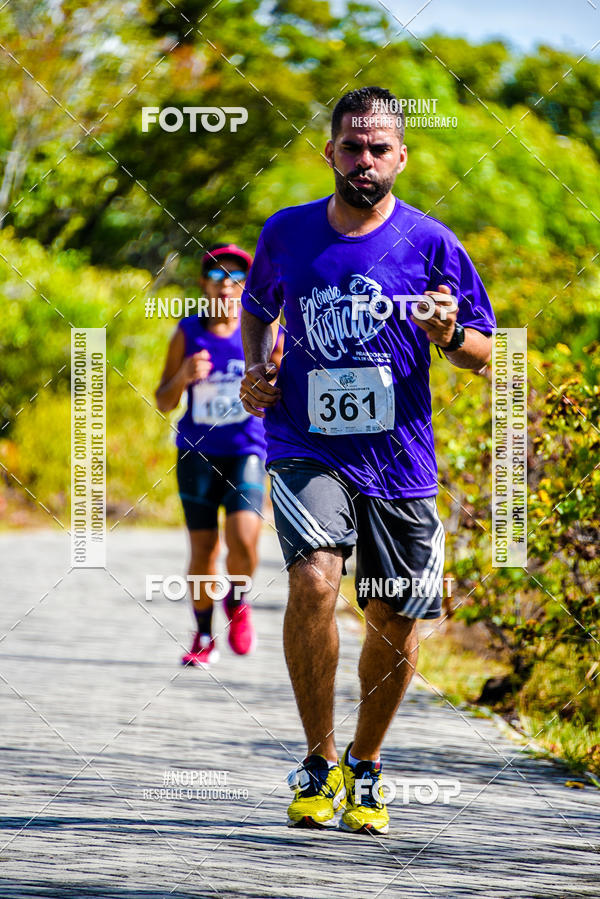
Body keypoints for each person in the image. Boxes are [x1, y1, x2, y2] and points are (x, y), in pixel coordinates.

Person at [239, 86, 496, 833]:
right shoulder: (287, 233)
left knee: (391, 617)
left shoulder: (433, 242)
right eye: (351, 146)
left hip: (399, 458)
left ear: (402, 157)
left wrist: (450, 334)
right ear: (330, 152)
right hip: (304, 443)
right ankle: (318, 761)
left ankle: (366, 764)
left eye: (379, 147)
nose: (364, 159)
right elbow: (259, 307)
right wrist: (259, 371)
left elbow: (487, 353)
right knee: (315, 577)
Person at [156, 243, 282, 667]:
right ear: (204, 286)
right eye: (216, 279)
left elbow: (282, 389)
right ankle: (204, 635)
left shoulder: (266, 332)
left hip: (246, 449)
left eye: (236, 279)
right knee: (203, 551)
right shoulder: (188, 333)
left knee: (244, 540)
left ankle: (239, 599)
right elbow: (162, 400)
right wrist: (184, 375)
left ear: (247, 287)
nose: (226, 287)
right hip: (197, 453)